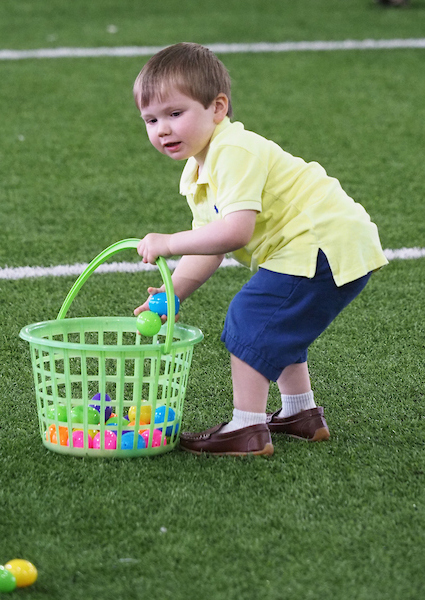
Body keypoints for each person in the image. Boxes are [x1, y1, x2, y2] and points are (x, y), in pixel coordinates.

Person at [132, 42, 388, 456]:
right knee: (278, 321)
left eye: (175, 114)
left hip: (322, 241)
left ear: (217, 108)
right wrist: (172, 296)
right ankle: (299, 413)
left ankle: (246, 428)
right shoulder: (198, 170)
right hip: (325, 243)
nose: (162, 129)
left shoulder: (233, 151)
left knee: (251, 315)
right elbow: (208, 247)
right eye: (151, 119)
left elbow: (234, 231)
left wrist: (167, 242)